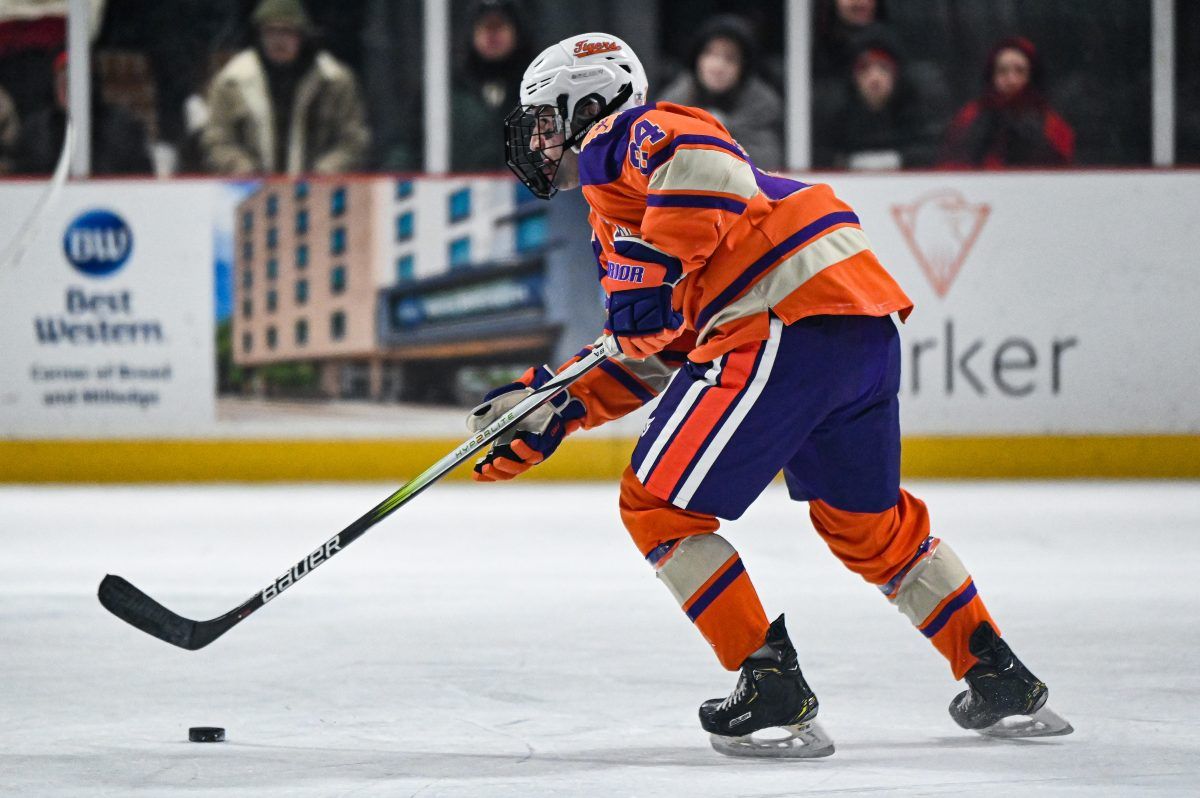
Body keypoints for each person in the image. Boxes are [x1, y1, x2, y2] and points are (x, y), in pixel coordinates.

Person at [476, 32, 1073, 758]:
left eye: (544, 120)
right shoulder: (618, 217)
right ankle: (998, 675)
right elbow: (662, 348)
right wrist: (557, 406)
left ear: (589, 105)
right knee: (867, 527)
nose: (535, 139)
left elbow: (703, 157)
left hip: (780, 321)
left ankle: (771, 687)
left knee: (655, 505)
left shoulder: (621, 138)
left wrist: (658, 268)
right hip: (855, 323)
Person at [200, 0, 369, 175]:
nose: (278, 40)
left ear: (302, 35)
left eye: (287, 31)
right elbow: (216, 140)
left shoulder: (334, 81)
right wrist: (241, 167)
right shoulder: (231, 82)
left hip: (320, 191)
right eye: (271, 31)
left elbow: (353, 140)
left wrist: (326, 170)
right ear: (259, 34)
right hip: (248, 191)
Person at [658, 15, 783, 171]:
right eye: (710, 54)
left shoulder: (762, 108)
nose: (718, 66)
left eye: (730, 58)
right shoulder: (672, 105)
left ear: (743, 67)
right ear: (697, 58)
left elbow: (764, 163)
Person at [941, 36, 1075, 168]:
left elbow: (1063, 170)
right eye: (1002, 71)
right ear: (992, 75)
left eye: (1020, 71)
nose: (1011, 80)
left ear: (1032, 75)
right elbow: (951, 166)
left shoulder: (1050, 121)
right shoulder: (971, 115)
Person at [13, 50, 151, 175]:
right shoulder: (37, 129)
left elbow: (140, 175)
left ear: (91, 85)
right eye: (63, 81)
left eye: (76, 82)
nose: (69, 89)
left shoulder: (120, 126)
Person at [814, 38, 935, 169]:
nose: (875, 78)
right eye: (865, 69)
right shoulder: (837, 113)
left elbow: (928, 149)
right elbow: (820, 152)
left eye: (884, 68)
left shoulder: (913, 112)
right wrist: (847, 161)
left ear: (896, 75)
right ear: (854, 76)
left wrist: (898, 159)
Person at [451, 0, 533, 172]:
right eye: (485, 26)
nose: (492, 35)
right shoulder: (447, 89)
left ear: (517, 32)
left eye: (500, 26)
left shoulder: (539, 85)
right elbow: (410, 144)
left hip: (528, 194)